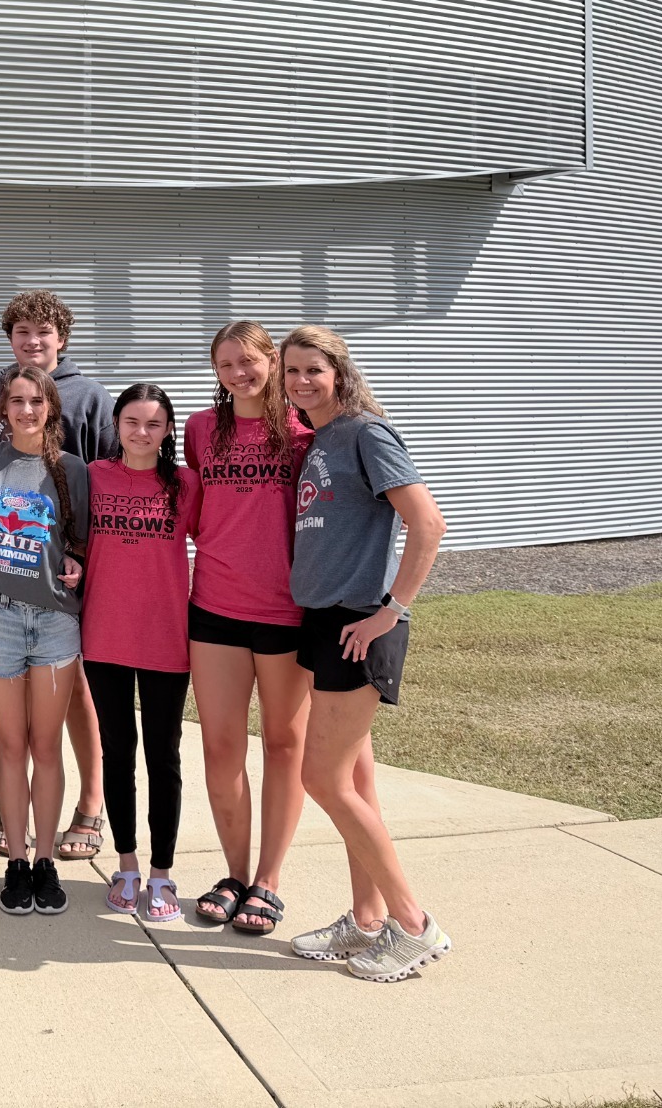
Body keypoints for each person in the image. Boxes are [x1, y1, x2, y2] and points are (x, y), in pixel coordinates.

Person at [279, 325, 453, 982]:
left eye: (312, 371)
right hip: (326, 621)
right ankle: (366, 921)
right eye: (291, 372)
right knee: (354, 782)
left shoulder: (366, 433)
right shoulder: (323, 438)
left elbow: (427, 521)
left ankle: (413, 924)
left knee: (321, 778)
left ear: (340, 373)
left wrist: (391, 611)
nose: (300, 382)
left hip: (359, 625)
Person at [185, 320, 314, 936]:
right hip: (214, 606)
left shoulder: (305, 432)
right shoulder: (201, 430)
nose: (240, 372)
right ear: (216, 372)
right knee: (220, 747)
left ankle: (270, 879)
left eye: (250, 361)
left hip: (288, 611)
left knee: (285, 746)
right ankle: (234, 875)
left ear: (273, 362)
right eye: (226, 363)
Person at [0, 290, 110, 863]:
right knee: (19, 724)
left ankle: (90, 802)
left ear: (62, 338)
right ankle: (18, 817)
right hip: (12, 577)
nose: (33, 341)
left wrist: (82, 556)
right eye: (22, 332)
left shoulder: (89, 396)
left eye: (44, 332)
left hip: (71, 574)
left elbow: (108, 478)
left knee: (80, 695)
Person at [0, 365, 90, 916]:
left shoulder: (72, 470)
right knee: (11, 745)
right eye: (16, 401)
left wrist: (77, 566)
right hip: (0, 621)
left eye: (36, 401)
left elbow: (84, 544)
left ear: (51, 408)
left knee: (47, 746)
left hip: (57, 623)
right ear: (3, 409)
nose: (25, 410)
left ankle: (46, 860)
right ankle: (15, 862)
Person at [81, 383, 200, 925]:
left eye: (154, 423)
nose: (142, 432)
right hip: (104, 635)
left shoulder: (187, 486)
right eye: (132, 421)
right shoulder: (94, 477)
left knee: (164, 756)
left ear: (168, 430)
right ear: (116, 425)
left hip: (165, 637)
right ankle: (126, 864)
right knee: (118, 752)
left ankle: (161, 872)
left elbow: (220, 542)